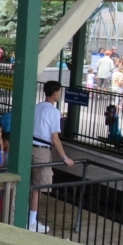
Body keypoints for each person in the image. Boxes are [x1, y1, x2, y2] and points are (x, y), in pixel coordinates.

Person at [30, 81, 73, 233]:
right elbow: (55, 138)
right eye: (59, 92)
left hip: (29, 147)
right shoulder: (54, 112)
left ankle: (23, 215)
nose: (60, 94)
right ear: (54, 93)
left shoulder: (36, 107)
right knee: (37, 187)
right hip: (42, 151)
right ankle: (31, 222)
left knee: (28, 183)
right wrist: (65, 158)